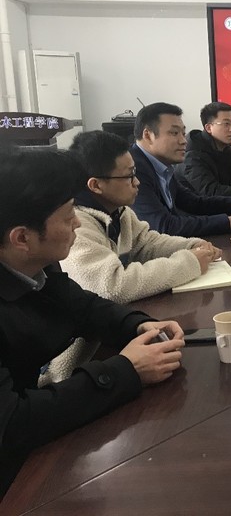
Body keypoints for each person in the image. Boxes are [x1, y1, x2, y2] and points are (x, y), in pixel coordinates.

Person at [0, 147, 185, 496]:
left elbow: (83, 307)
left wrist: (138, 324)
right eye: (69, 214)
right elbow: (13, 423)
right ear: (22, 237)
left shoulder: (37, 264)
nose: (77, 223)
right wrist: (127, 370)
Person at [62, 130, 222, 304]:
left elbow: (147, 243)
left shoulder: (119, 212)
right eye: (129, 176)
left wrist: (191, 245)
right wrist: (189, 262)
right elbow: (113, 286)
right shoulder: (75, 226)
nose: (137, 182)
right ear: (96, 185)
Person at [131, 102, 231, 237]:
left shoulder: (162, 167)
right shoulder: (133, 170)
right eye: (174, 133)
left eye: (183, 133)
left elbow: (194, 202)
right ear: (148, 135)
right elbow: (163, 226)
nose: (183, 141)